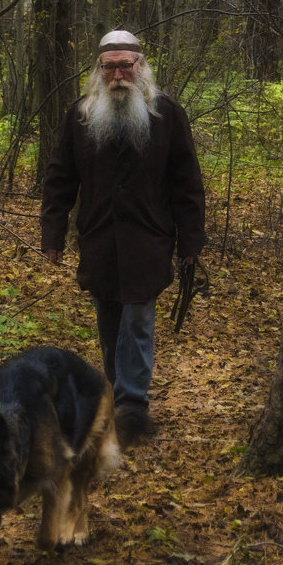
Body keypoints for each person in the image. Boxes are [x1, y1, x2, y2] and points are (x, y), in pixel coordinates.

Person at [40, 29, 205, 444]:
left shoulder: (167, 115)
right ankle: (114, 396)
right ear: (99, 70)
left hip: (148, 240)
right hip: (98, 238)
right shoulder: (80, 115)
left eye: (124, 65)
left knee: (137, 319)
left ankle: (133, 405)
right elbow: (60, 178)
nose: (117, 74)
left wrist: (191, 243)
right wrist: (52, 234)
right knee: (109, 319)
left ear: (140, 66)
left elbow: (187, 184)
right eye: (109, 66)